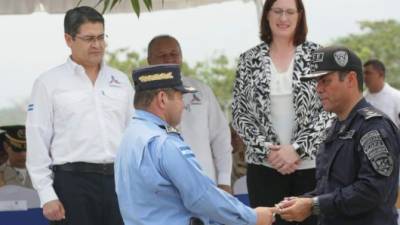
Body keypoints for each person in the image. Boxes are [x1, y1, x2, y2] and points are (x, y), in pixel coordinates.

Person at [115, 64, 277, 225]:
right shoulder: (165, 143)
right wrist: (253, 217)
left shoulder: (129, 137)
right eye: (180, 97)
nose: (183, 105)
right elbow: (202, 197)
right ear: (162, 99)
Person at [26, 6, 133, 225]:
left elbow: (134, 133)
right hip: (72, 184)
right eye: (89, 38)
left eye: (101, 37)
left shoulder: (120, 80)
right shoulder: (49, 83)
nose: (97, 45)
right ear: (69, 39)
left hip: (119, 182)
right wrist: (47, 195)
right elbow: (37, 138)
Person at [232, 0, 330, 224]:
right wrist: (268, 151)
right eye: (277, 11)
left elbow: (329, 111)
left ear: (299, 15)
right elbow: (239, 113)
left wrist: (296, 149)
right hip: (264, 166)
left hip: (311, 166)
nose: (283, 18)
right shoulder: (248, 60)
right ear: (267, 15)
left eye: (289, 12)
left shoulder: (318, 55)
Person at [278, 46, 400, 225]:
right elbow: (331, 188)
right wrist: (300, 202)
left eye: (325, 81)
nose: (318, 89)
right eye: (317, 82)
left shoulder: (373, 126)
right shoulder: (336, 126)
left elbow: (372, 190)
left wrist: (313, 205)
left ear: (350, 79)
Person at [147, 35, 233, 193]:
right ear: (149, 60)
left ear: (181, 57)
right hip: (161, 188)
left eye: (174, 54)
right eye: (162, 55)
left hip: (205, 183)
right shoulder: (141, 98)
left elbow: (221, 137)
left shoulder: (201, 90)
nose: (168, 59)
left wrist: (224, 180)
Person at [363, 59, 400, 128]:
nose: (364, 77)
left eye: (368, 73)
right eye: (363, 73)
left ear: (381, 74)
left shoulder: (397, 97)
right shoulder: (361, 99)